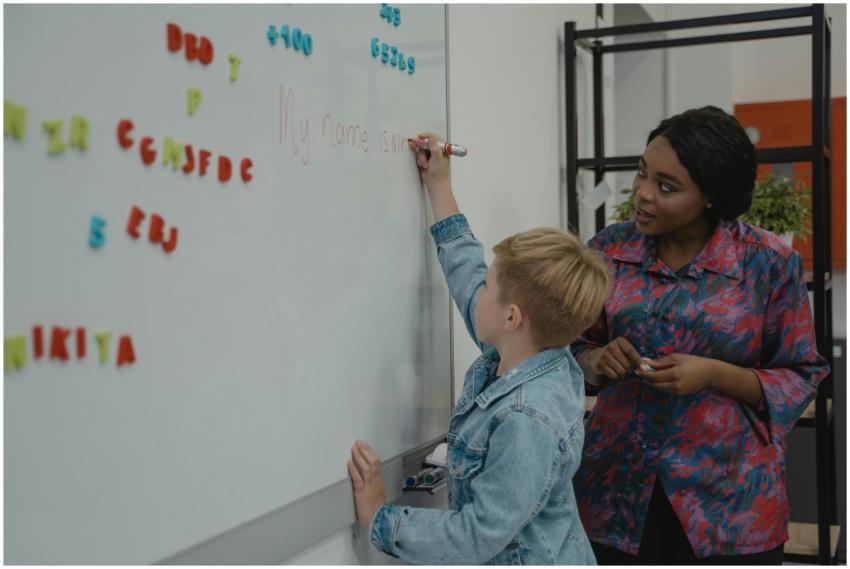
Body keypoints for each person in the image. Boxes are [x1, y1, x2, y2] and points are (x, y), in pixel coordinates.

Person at [570, 106, 830, 564]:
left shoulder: (767, 263)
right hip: (616, 496)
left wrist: (716, 374)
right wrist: (594, 362)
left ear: (712, 196)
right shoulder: (607, 251)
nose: (643, 195)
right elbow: (569, 347)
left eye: (666, 187)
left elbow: (801, 373)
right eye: (643, 174)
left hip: (730, 506)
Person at [346, 132, 611, 564]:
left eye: (489, 286)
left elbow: (474, 538)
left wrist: (380, 516)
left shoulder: (527, 419)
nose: (478, 290)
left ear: (511, 318)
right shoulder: (529, 351)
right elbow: (466, 269)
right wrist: (439, 185)